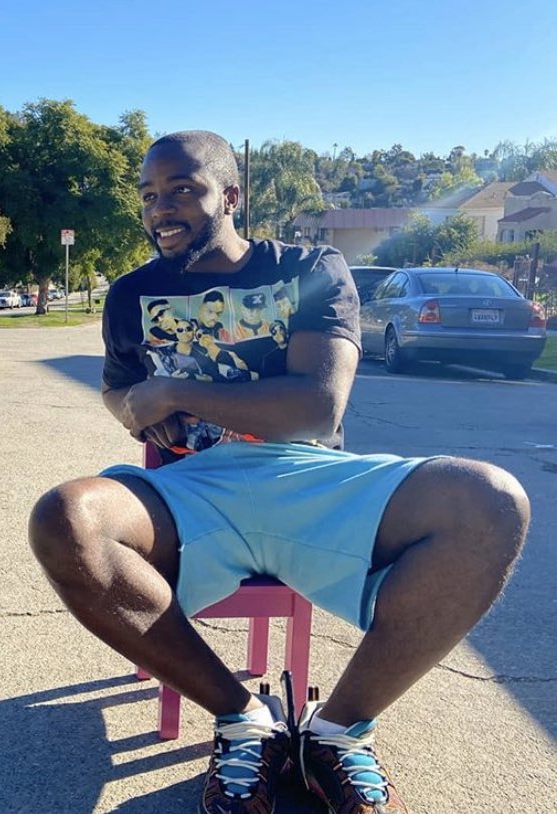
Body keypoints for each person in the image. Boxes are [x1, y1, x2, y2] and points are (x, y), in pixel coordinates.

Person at [28, 130, 529, 814]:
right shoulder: (131, 294)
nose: (161, 209)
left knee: (490, 501)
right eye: (148, 195)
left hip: (310, 478)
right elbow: (120, 390)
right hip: (191, 489)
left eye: (182, 190)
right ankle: (244, 720)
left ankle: (336, 731)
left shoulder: (309, 268)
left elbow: (313, 409)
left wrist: (173, 391)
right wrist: (134, 409)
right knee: (66, 519)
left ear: (230, 196)